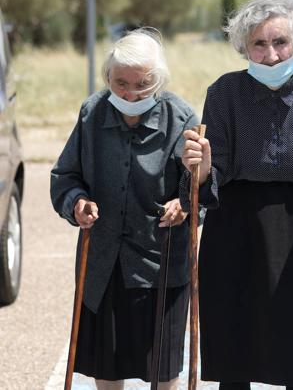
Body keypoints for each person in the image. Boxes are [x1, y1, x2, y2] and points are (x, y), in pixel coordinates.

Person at [181, 0, 293, 390]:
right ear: (243, 48)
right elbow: (212, 170)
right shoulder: (224, 91)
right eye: (259, 43)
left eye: (281, 42)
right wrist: (199, 172)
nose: (271, 54)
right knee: (234, 342)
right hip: (235, 226)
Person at [50, 29, 198, 390]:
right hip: (105, 262)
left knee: (162, 371)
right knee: (108, 367)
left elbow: (200, 187)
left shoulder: (181, 117)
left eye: (143, 84)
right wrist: (77, 203)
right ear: (107, 78)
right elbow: (65, 176)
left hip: (160, 262)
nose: (131, 93)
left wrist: (185, 207)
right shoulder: (92, 113)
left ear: (158, 80)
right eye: (121, 83)